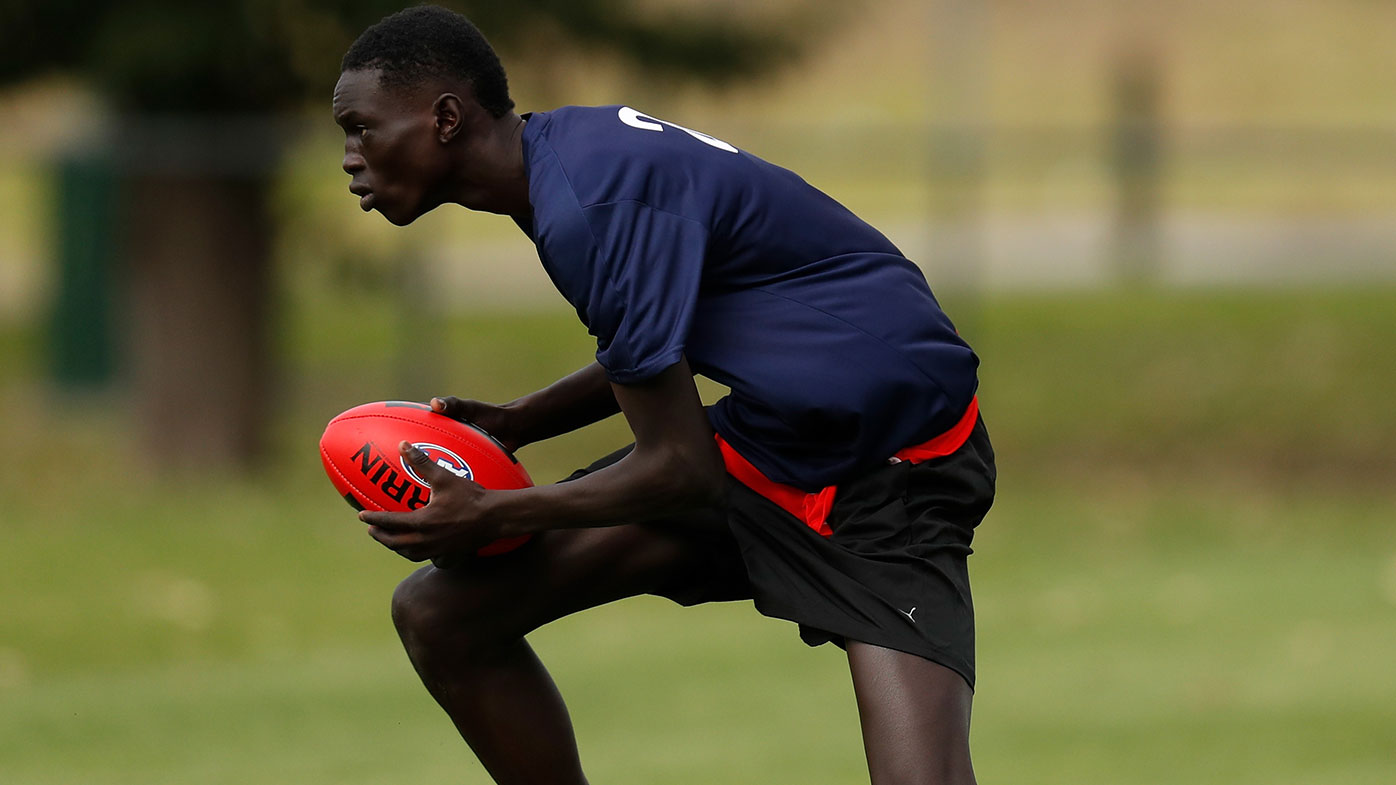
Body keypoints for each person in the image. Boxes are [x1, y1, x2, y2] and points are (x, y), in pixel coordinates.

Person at [334, 6, 995, 784]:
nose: (349, 157)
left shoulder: (589, 202)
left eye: (360, 128)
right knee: (443, 615)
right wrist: (519, 422)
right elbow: (655, 346)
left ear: (445, 118)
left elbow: (679, 469)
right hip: (770, 444)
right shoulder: (568, 168)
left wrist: (496, 510)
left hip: (890, 470)